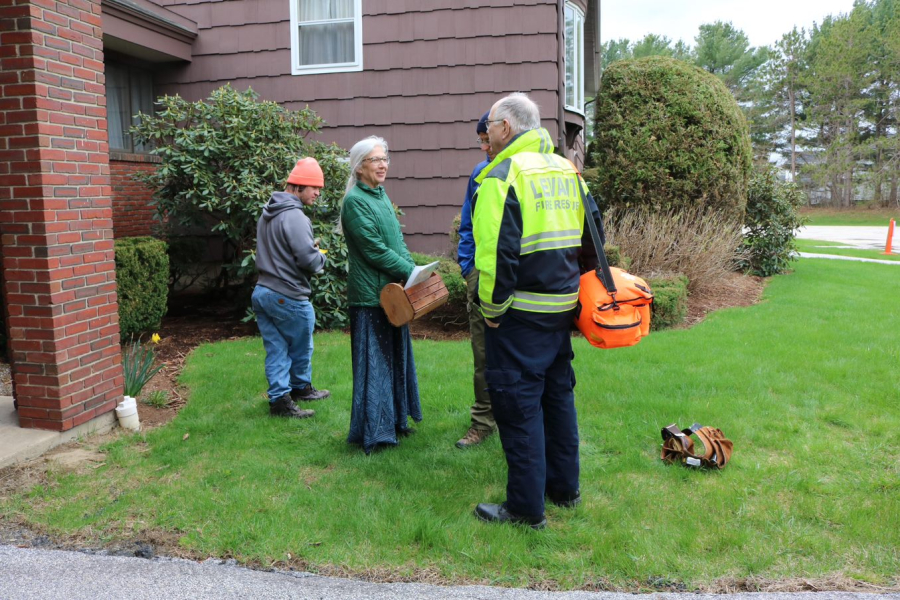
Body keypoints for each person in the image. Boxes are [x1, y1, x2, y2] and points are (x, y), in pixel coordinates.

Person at [471, 93, 605, 529]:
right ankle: (564, 490)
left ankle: (526, 510)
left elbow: (494, 255)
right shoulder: (568, 171)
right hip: (562, 310)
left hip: (519, 317)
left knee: (518, 406)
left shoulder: (501, 176)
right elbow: (594, 237)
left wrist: (491, 309)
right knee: (558, 399)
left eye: (490, 126)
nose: (487, 135)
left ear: (506, 128)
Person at [340, 136, 422, 454]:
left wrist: (412, 270)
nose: (383, 164)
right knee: (375, 365)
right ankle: (375, 433)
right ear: (360, 167)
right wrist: (406, 270)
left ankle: (396, 421)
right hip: (370, 298)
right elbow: (374, 251)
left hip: (393, 294)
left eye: (385, 158)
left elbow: (396, 241)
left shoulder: (381, 196)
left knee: (396, 359)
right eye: (376, 159)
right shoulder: (355, 202)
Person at [252, 157, 331, 419]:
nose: (318, 193)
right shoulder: (295, 216)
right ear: (297, 187)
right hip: (287, 295)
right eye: (314, 188)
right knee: (300, 346)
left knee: (276, 348)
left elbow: (281, 250)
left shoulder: (268, 212)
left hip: (262, 291)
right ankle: (300, 389)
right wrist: (321, 256)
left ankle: (279, 401)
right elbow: (308, 260)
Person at [455, 111, 497, 449]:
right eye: (480, 141)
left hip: (522, 284)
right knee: (482, 354)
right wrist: (468, 266)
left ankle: (517, 420)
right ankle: (483, 422)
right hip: (480, 278)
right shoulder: (479, 174)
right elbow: (467, 224)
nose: (484, 147)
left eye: (488, 139)